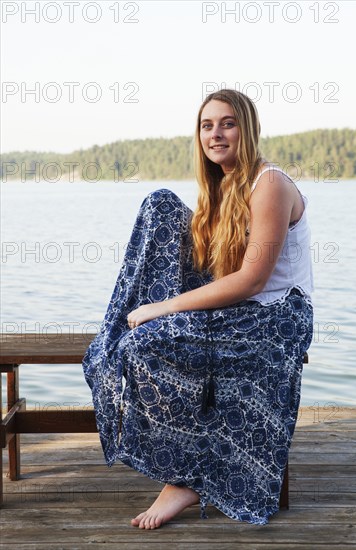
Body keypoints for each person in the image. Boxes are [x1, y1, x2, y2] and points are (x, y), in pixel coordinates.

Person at [82, 89, 314, 530]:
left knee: (148, 341)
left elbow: (253, 280)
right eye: (207, 126)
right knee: (160, 205)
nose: (216, 134)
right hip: (240, 309)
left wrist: (163, 308)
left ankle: (183, 480)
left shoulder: (271, 184)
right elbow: (213, 268)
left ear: (246, 129)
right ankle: (125, 322)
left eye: (227, 123)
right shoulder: (221, 187)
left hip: (277, 316)